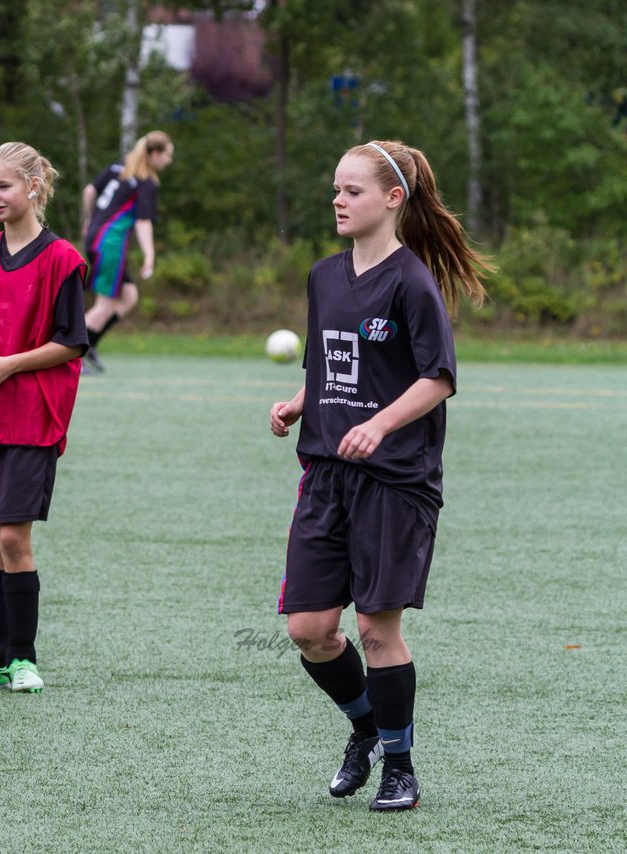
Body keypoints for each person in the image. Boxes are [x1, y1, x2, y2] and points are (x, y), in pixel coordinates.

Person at [269, 140, 490, 811]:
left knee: (375, 629)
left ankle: (401, 766)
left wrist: (380, 424)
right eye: (336, 189)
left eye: (353, 191)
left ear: (393, 199)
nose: (339, 200)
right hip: (327, 473)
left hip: (395, 477)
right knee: (308, 628)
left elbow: (439, 378)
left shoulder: (411, 280)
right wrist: (300, 403)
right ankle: (367, 728)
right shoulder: (324, 276)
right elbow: (330, 359)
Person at [0, 142, 88, 694]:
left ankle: (24, 657)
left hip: (30, 417)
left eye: (3, 186)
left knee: (13, 540)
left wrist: (9, 365)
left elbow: (72, 342)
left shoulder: (61, 260)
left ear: (33, 186)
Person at [80, 130, 174, 373]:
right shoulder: (145, 181)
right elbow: (143, 222)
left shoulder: (117, 167)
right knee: (105, 304)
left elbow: (90, 191)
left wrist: (89, 219)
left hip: (97, 237)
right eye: (167, 155)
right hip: (109, 243)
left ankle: (89, 345)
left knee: (129, 296)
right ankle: (69, 355)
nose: (168, 161)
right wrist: (150, 255)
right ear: (154, 154)